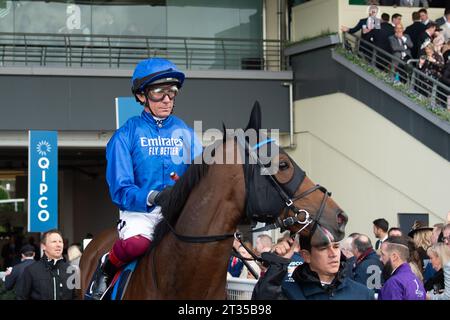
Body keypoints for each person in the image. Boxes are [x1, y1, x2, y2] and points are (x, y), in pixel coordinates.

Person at [90, 57, 202, 299]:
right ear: (141, 96)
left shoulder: (187, 134)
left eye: (171, 93)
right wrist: (154, 196)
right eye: (159, 93)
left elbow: (201, 177)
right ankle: (107, 265)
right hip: (141, 213)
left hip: (177, 213)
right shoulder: (124, 136)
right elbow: (120, 190)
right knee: (137, 245)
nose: (166, 100)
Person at [252, 236, 374, 300]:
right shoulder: (287, 291)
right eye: (323, 248)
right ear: (306, 256)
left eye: (336, 247)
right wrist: (278, 264)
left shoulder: (363, 294)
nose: (333, 254)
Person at [15, 229, 75, 300]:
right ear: (43, 246)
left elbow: (76, 296)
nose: (58, 245)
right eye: (54, 242)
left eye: (60, 242)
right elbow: (21, 297)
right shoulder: (31, 270)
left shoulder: (71, 270)